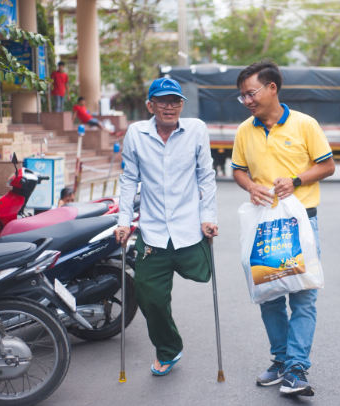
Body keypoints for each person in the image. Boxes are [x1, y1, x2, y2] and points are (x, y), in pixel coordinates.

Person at [231, 60, 335, 397]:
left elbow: (327, 165)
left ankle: (296, 368)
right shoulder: (245, 130)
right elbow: (238, 170)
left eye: (251, 93)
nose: (247, 100)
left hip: (302, 221)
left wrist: (296, 180)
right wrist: (250, 187)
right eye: (242, 96)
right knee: (270, 297)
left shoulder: (305, 124)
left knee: (304, 296)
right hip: (265, 224)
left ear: (272, 88)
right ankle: (280, 360)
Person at [114, 77, 218, 377]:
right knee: (149, 295)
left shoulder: (196, 129)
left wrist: (208, 217)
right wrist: (124, 223)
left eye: (175, 101)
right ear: (151, 105)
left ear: (182, 105)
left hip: (189, 228)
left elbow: (206, 176)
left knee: (203, 273)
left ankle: (187, 263)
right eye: (162, 101)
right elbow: (129, 180)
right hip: (153, 232)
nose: (169, 107)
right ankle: (169, 348)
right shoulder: (136, 133)